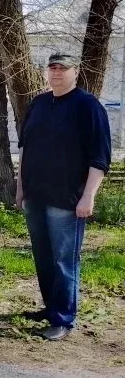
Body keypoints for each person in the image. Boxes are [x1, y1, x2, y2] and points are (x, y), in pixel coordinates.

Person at [16, 53, 111, 341]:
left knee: (64, 261)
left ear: (75, 72)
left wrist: (88, 196)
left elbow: (100, 157)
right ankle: (51, 308)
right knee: (44, 258)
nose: (57, 73)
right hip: (36, 196)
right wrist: (20, 188)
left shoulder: (88, 106)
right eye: (53, 68)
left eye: (63, 68)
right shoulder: (39, 104)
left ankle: (63, 318)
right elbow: (24, 148)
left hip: (67, 199)